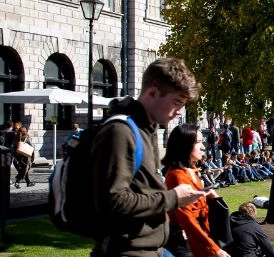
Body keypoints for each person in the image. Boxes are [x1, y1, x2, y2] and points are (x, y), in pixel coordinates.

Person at [86, 58, 209, 257]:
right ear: (152, 93)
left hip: (153, 248)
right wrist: (173, 198)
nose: (179, 112)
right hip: (127, 250)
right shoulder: (121, 132)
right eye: (176, 102)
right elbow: (113, 202)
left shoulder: (147, 129)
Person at [162, 125, 230, 257]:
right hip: (184, 242)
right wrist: (214, 249)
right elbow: (188, 219)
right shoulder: (177, 176)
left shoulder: (192, 170)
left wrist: (211, 197)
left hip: (199, 236)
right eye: (198, 142)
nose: (203, 147)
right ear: (184, 145)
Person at [13, 124, 34, 188]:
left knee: (24, 170)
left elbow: (14, 147)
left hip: (18, 156)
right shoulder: (27, 138)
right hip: (25, 156)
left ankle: (28, 182)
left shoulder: (16, 137)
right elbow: (31, 146)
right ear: (26, 132)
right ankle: (17, 182)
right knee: (24, 170)